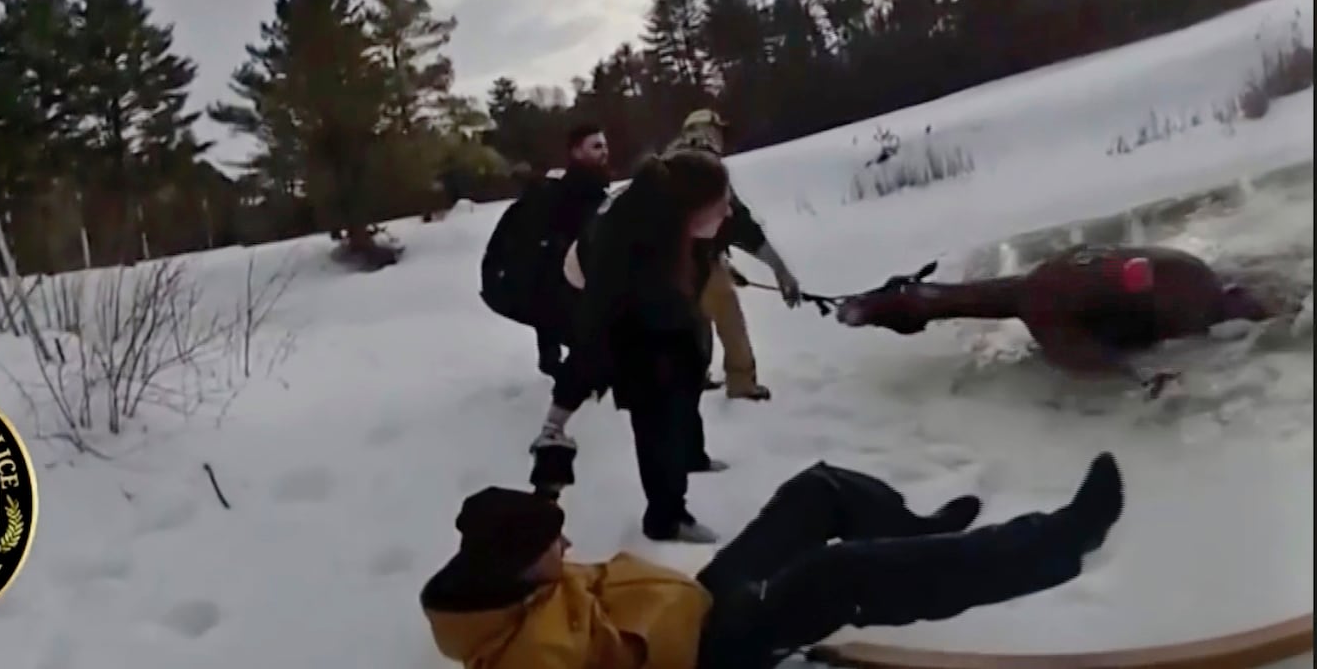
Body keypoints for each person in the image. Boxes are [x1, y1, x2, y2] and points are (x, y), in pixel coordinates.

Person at [422, 452, 1126, 669]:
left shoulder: (508, 589)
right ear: (518, 567)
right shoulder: (527, 660)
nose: (569, 549)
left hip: (696, 607)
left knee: (816, 492)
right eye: (554, 545)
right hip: (713, 655)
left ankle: (915, 534)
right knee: (839, 573)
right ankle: (1064, 540)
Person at [532, 149, 736, 543]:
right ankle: (665, 518)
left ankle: (691, 453)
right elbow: (595, 331)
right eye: (721, 207)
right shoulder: (630, 250)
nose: (726, 214)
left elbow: (735, 225)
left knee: (689, 365)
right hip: (599, 290)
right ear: (688, 214)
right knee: (654, 405)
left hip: (657, 293)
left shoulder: (677, 205)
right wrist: (567, 403)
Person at [835, 244, 1287, 395]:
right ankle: (896, 303)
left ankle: (895, 304)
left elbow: (1103, 365)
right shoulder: (1056, 275)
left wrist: (1141, 378)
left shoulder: (1047, 302)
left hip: (1166, 299)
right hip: (1179, 279)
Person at [668, 109, 802, 401]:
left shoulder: (667, 165)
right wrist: (780, 269)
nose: (720, 139)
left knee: (692, 318)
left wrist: (722, 261)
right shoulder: (703, 167)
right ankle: (741, 383)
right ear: (702, 131)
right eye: (716, 131)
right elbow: (739, 225)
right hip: (689, 263)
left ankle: (690, 375)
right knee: (726, 311)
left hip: (668, 264)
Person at [481, 124, 614, 378]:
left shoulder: (592, 192)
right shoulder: (565, 196)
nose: (605, 152)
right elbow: (543, 263)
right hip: (557, 290)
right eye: (596, 146)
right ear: (576, 152)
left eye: (605, 146)